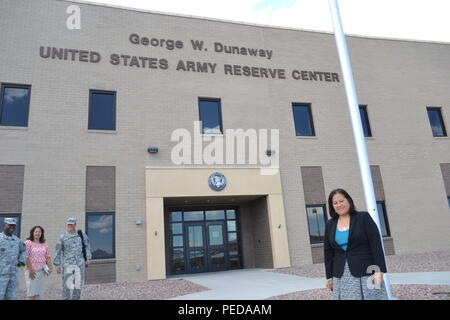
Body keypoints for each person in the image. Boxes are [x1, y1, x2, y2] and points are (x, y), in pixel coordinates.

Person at [324, 188, 388, 300]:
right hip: (341, 275)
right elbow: (328, 253)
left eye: (341, 201)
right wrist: (329, 277)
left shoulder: (363, 217)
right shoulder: (330, 224)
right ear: (332, 206)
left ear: (348, 201)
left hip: (367, 272)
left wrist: (379, 270)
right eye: (335, 203)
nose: (339, 205)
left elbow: (376, 245)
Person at [53, 218, 92, 300]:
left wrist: (88, 257)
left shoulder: (81, 235)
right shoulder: (62, 237)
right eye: (69, 224)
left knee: (78, 285)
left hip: (79, 264)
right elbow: (58, 251)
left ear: (75, 225)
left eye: (72, 224)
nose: (70, 226)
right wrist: (57, 265)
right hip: (68, 265)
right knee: (66, 285)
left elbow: (87, 246)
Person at [0, 218, 26, 300]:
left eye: (14, 226)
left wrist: (21, 263)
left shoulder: (17, 241)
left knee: (11, 296)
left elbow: (24, 251)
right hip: (1, 275)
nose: (12, 227)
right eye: (9, 225)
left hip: (13, 275)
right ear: (4, 225)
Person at [24, 226, 53, 300]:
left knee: (38, 294)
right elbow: (26, 257)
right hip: (31, 271)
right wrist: (30, 270)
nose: (38, 233)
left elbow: (48, 257)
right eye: (36, 231)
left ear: (42, 233)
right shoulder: (28, 243)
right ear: (32, 233)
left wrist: (50, 268)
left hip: (41, 271)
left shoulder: (44, 244)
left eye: (39, 232)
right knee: (30, 294)